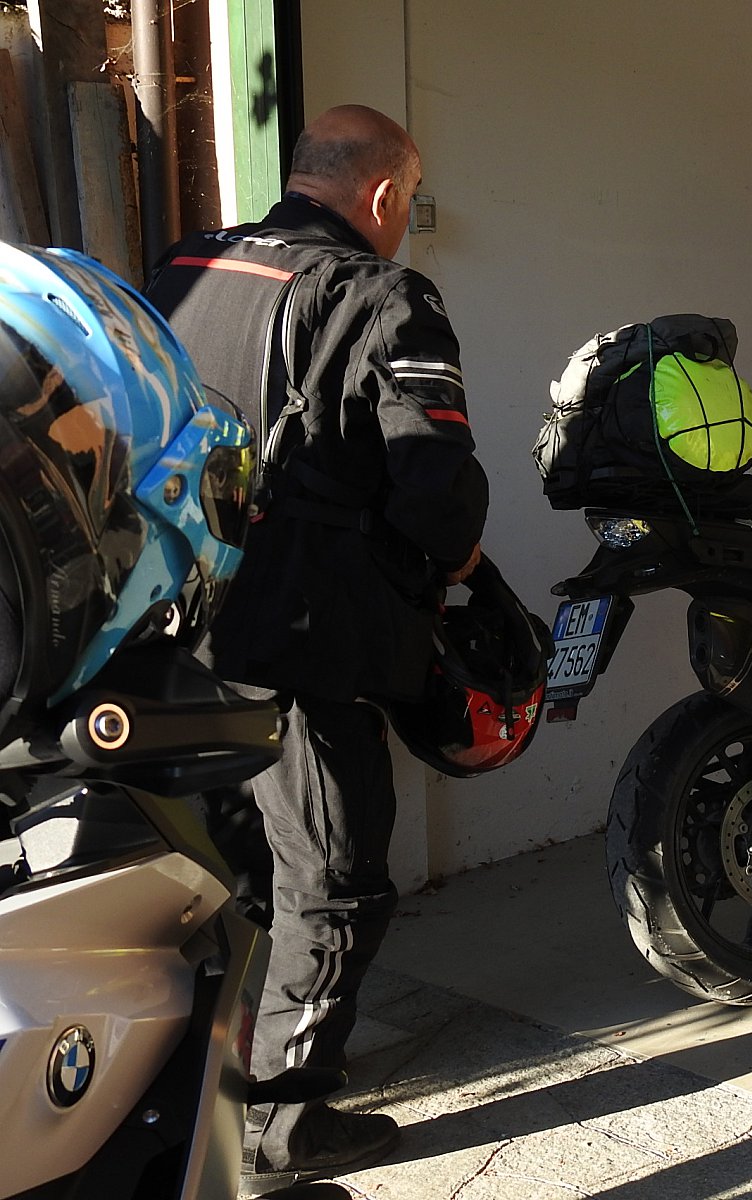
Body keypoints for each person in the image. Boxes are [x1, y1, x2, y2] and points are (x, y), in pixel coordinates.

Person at [143, 104, 489, 1194]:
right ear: (383, 194)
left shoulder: (187, 265)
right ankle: (281, 1126)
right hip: (302, 642)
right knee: (332, 879)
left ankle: (210, 1073)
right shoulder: (383, 297)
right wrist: (460, 564)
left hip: (171, 627)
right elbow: (436, 492)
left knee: (228, 865)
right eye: (407, 201)